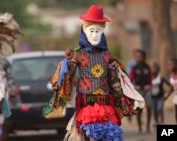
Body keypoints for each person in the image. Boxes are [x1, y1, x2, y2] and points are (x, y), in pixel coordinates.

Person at [44, 5, 145, 141]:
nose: (95, 35)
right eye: (91, 31)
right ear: (84, 31)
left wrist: (124, 100)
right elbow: (69, 74)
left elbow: (115, 80)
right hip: (87, 107)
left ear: (103, 31)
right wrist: (67, 62)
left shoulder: (108, 55)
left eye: (98, 31)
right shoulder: (78, 55)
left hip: (107, 106)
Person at [129, 49, 152, 133]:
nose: (139, 58)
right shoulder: (134, 68)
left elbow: (150, 78)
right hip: (138, 90)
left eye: (140, 57)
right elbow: (131, 78)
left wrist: (150, 86)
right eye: (137, 57)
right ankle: (139, 127)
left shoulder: (147, 67)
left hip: (146, 89)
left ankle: (148, 126)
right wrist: (133, 87)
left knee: (149, 107)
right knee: (139, 109)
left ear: (144, 57)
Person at [167, 58, 177, 123]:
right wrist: (167, 96)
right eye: (169, 65)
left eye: (171, 64)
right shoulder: (171, 75)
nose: (170, 66)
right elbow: (171, 87)